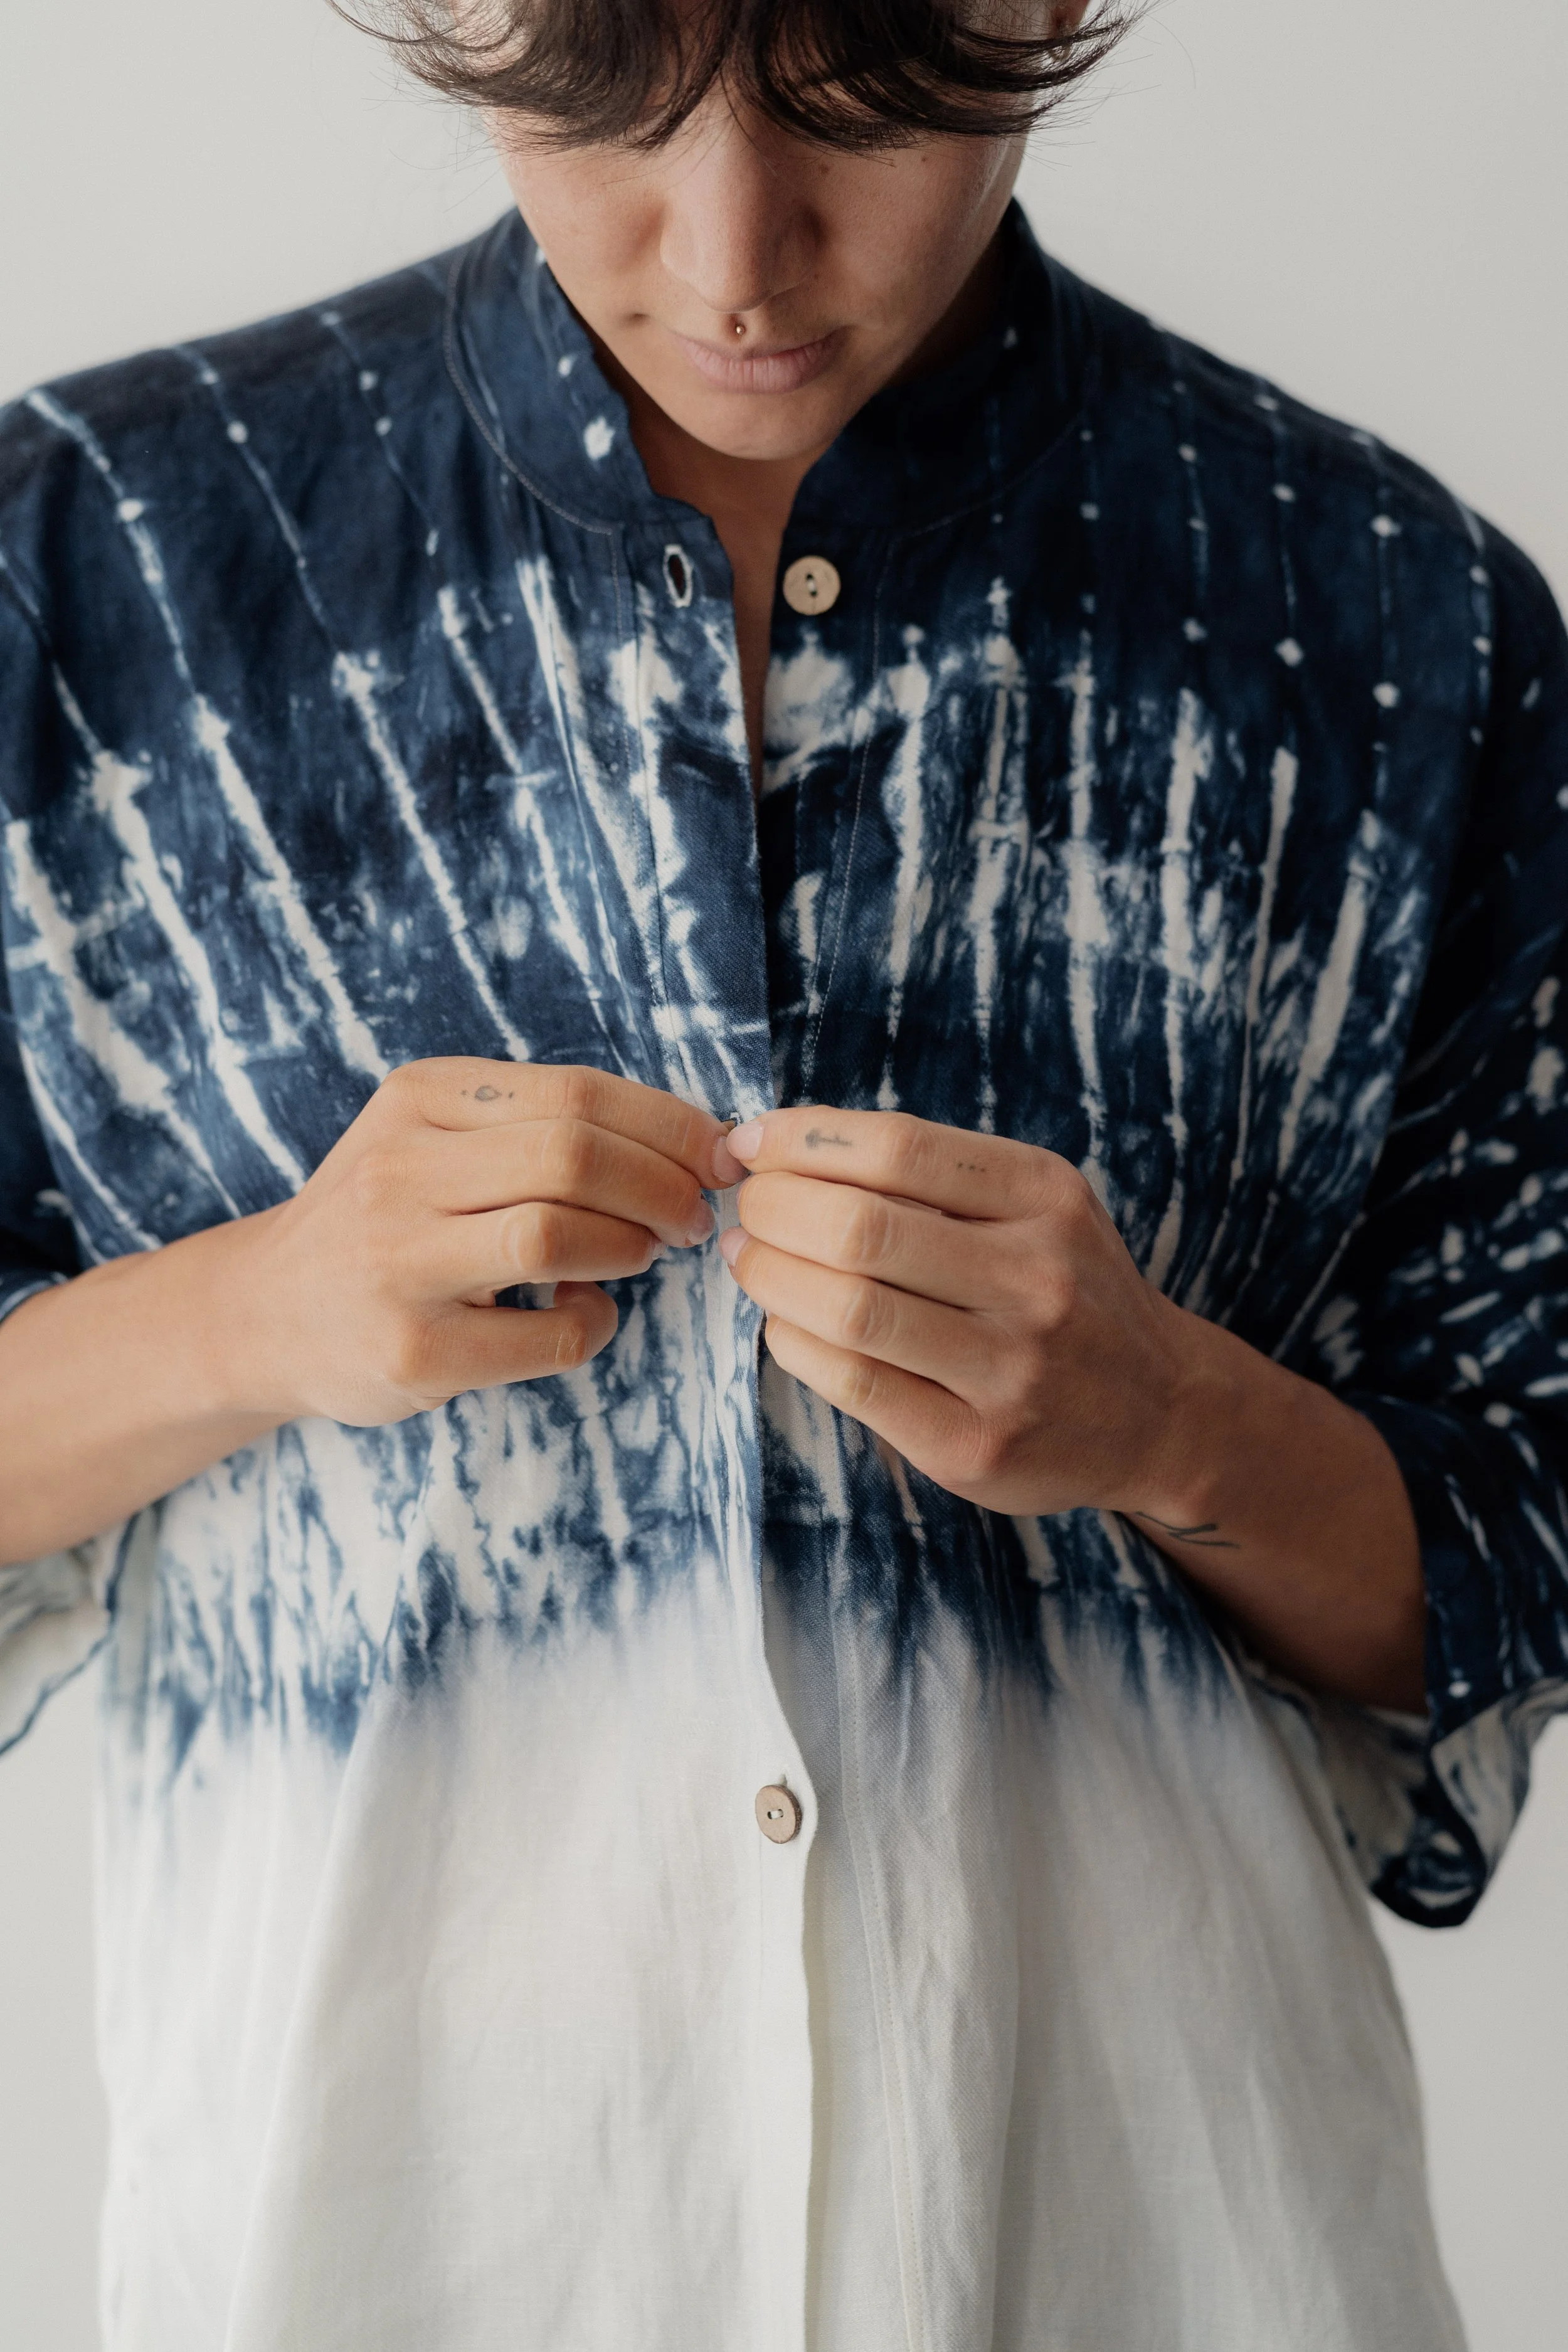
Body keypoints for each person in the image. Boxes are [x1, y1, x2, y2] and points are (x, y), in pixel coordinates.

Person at [1, 0, 1565, 2343]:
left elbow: (1510, 1553)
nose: (737, 252)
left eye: (873, 100)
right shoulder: (94, 574)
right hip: (370, 2260)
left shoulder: (1387, 627)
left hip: (1150, 2259)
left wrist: (1165, 1417)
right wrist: (256, 1313)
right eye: (604, 97)